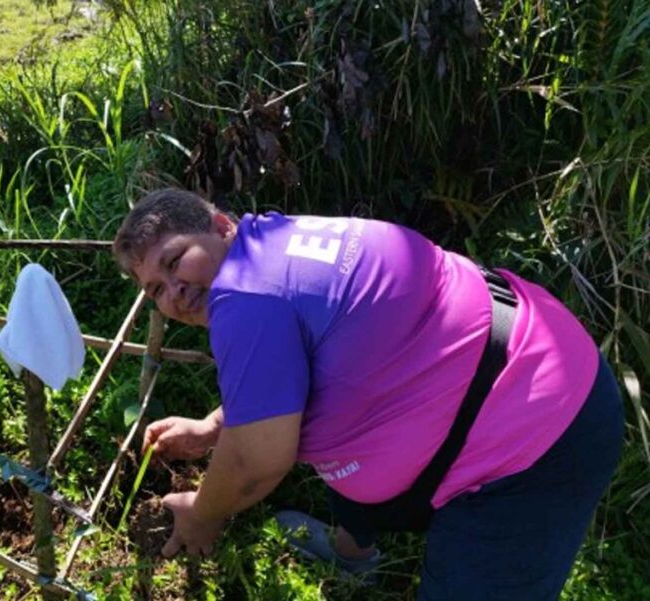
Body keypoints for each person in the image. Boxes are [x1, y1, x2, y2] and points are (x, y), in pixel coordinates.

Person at [115, 188, 623, 600]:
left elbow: (254, 463)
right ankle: (352, 555)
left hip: (536, 438)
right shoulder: (268, 243)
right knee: (338, 413)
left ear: (220, 225)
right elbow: (285, 374)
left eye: (175, 261)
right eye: (155, 289)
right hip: (523, 356)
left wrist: (202, 515)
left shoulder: (242, 298)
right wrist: (212, 429)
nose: (173, 291)